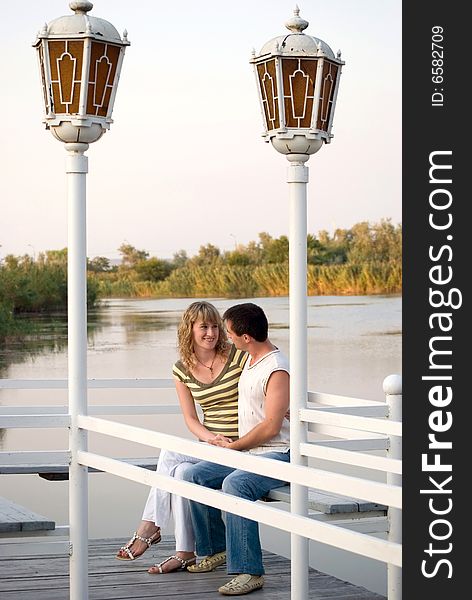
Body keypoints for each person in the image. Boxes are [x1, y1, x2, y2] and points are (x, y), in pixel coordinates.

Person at [115, 301, 248, 574]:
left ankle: (149, 527)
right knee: (182, 471)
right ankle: (185, 552)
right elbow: (190, 419)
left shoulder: (238, 357)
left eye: (215, 326)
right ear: (189, 330)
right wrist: (211, 438)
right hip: (212, 445)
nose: (211, 333)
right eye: (204, 327)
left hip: (243, 446)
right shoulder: (181, 369)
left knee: (169, 453)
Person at [182, 302, 290, 596]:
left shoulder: (276, 368)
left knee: (236, 483)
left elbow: (271, 428)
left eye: (228, 333)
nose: (224, 338)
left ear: (246, 338)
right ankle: (217, 549)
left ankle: (250, 571)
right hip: (252, 453)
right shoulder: (250, 361)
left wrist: (235, 447)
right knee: (193, 477)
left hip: (280, 454)